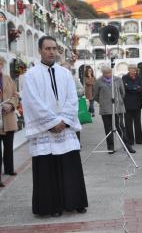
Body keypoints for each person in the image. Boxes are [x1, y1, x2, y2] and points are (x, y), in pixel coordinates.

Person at [21, 36, 88, 217]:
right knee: (47, 169)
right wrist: (52, 123)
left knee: (70, 167)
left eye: (54, 49)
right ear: (40, 51)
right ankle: (52, 206)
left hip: (64, 128)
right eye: (47, 49)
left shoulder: (65, 74)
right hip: (46, 131)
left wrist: (64, 121)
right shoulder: (30, 76)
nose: (51, 52)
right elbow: (32, 102)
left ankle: (75, 202)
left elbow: (72, 99)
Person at [93, 65, 136, 154]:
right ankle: (110, 147)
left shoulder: (118, 80)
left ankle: (127, 146)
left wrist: (118, 100)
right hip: (105, 109)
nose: (108, 74)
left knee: (120, 127)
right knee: (108, 128)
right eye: (105, 73)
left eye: (109, 72)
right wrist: (103, 101)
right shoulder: (98, 81)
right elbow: (95, 95)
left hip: (117, 108)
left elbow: (122, 92)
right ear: (102, 73)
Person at [0, 55, 18, 188]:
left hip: (8, 118)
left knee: (8, 147)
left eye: (0, 64)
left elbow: (15, 96)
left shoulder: (8, 79)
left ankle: (9, 168)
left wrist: (10, 105)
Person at [61, 62, 84, 141]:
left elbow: (81, 90)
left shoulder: (74, 78)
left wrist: (72, 93)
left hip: (73, 106)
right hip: (60, 107)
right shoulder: (56, 79)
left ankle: (77, 142)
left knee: (74, 124)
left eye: (66, 70)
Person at [122, 64, 142, 144]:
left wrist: (132, 87)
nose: (133, 70)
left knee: (137, 122)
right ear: (129, 69)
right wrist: (135, 88)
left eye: (134, 69)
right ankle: (130, 140)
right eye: (131, 69)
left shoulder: (139, 77)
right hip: (127, 103)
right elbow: (125, 87)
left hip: (137, 103)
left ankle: (139, 140)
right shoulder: (124, 77)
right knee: (128, 123)